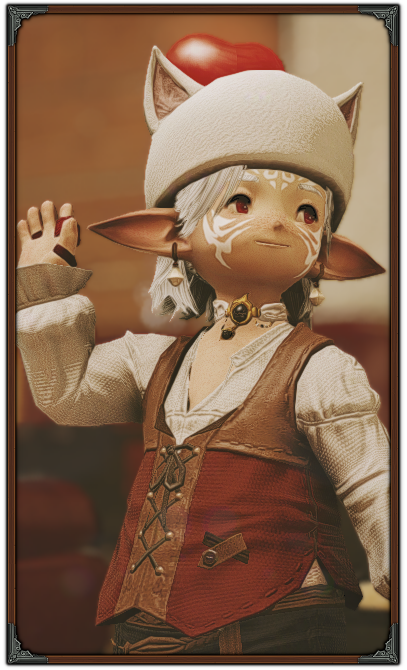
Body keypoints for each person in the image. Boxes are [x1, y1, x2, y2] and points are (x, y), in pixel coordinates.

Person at [16, 36, 390, 655]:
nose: (278, 221)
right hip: (146, 631)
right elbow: (67, 395)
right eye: (241, 200)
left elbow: (372, 483)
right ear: (176, 235)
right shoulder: (151, 361)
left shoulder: (323, 372)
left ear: (325, 254)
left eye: (307, 213)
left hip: (279, 624)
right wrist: (45, 287)